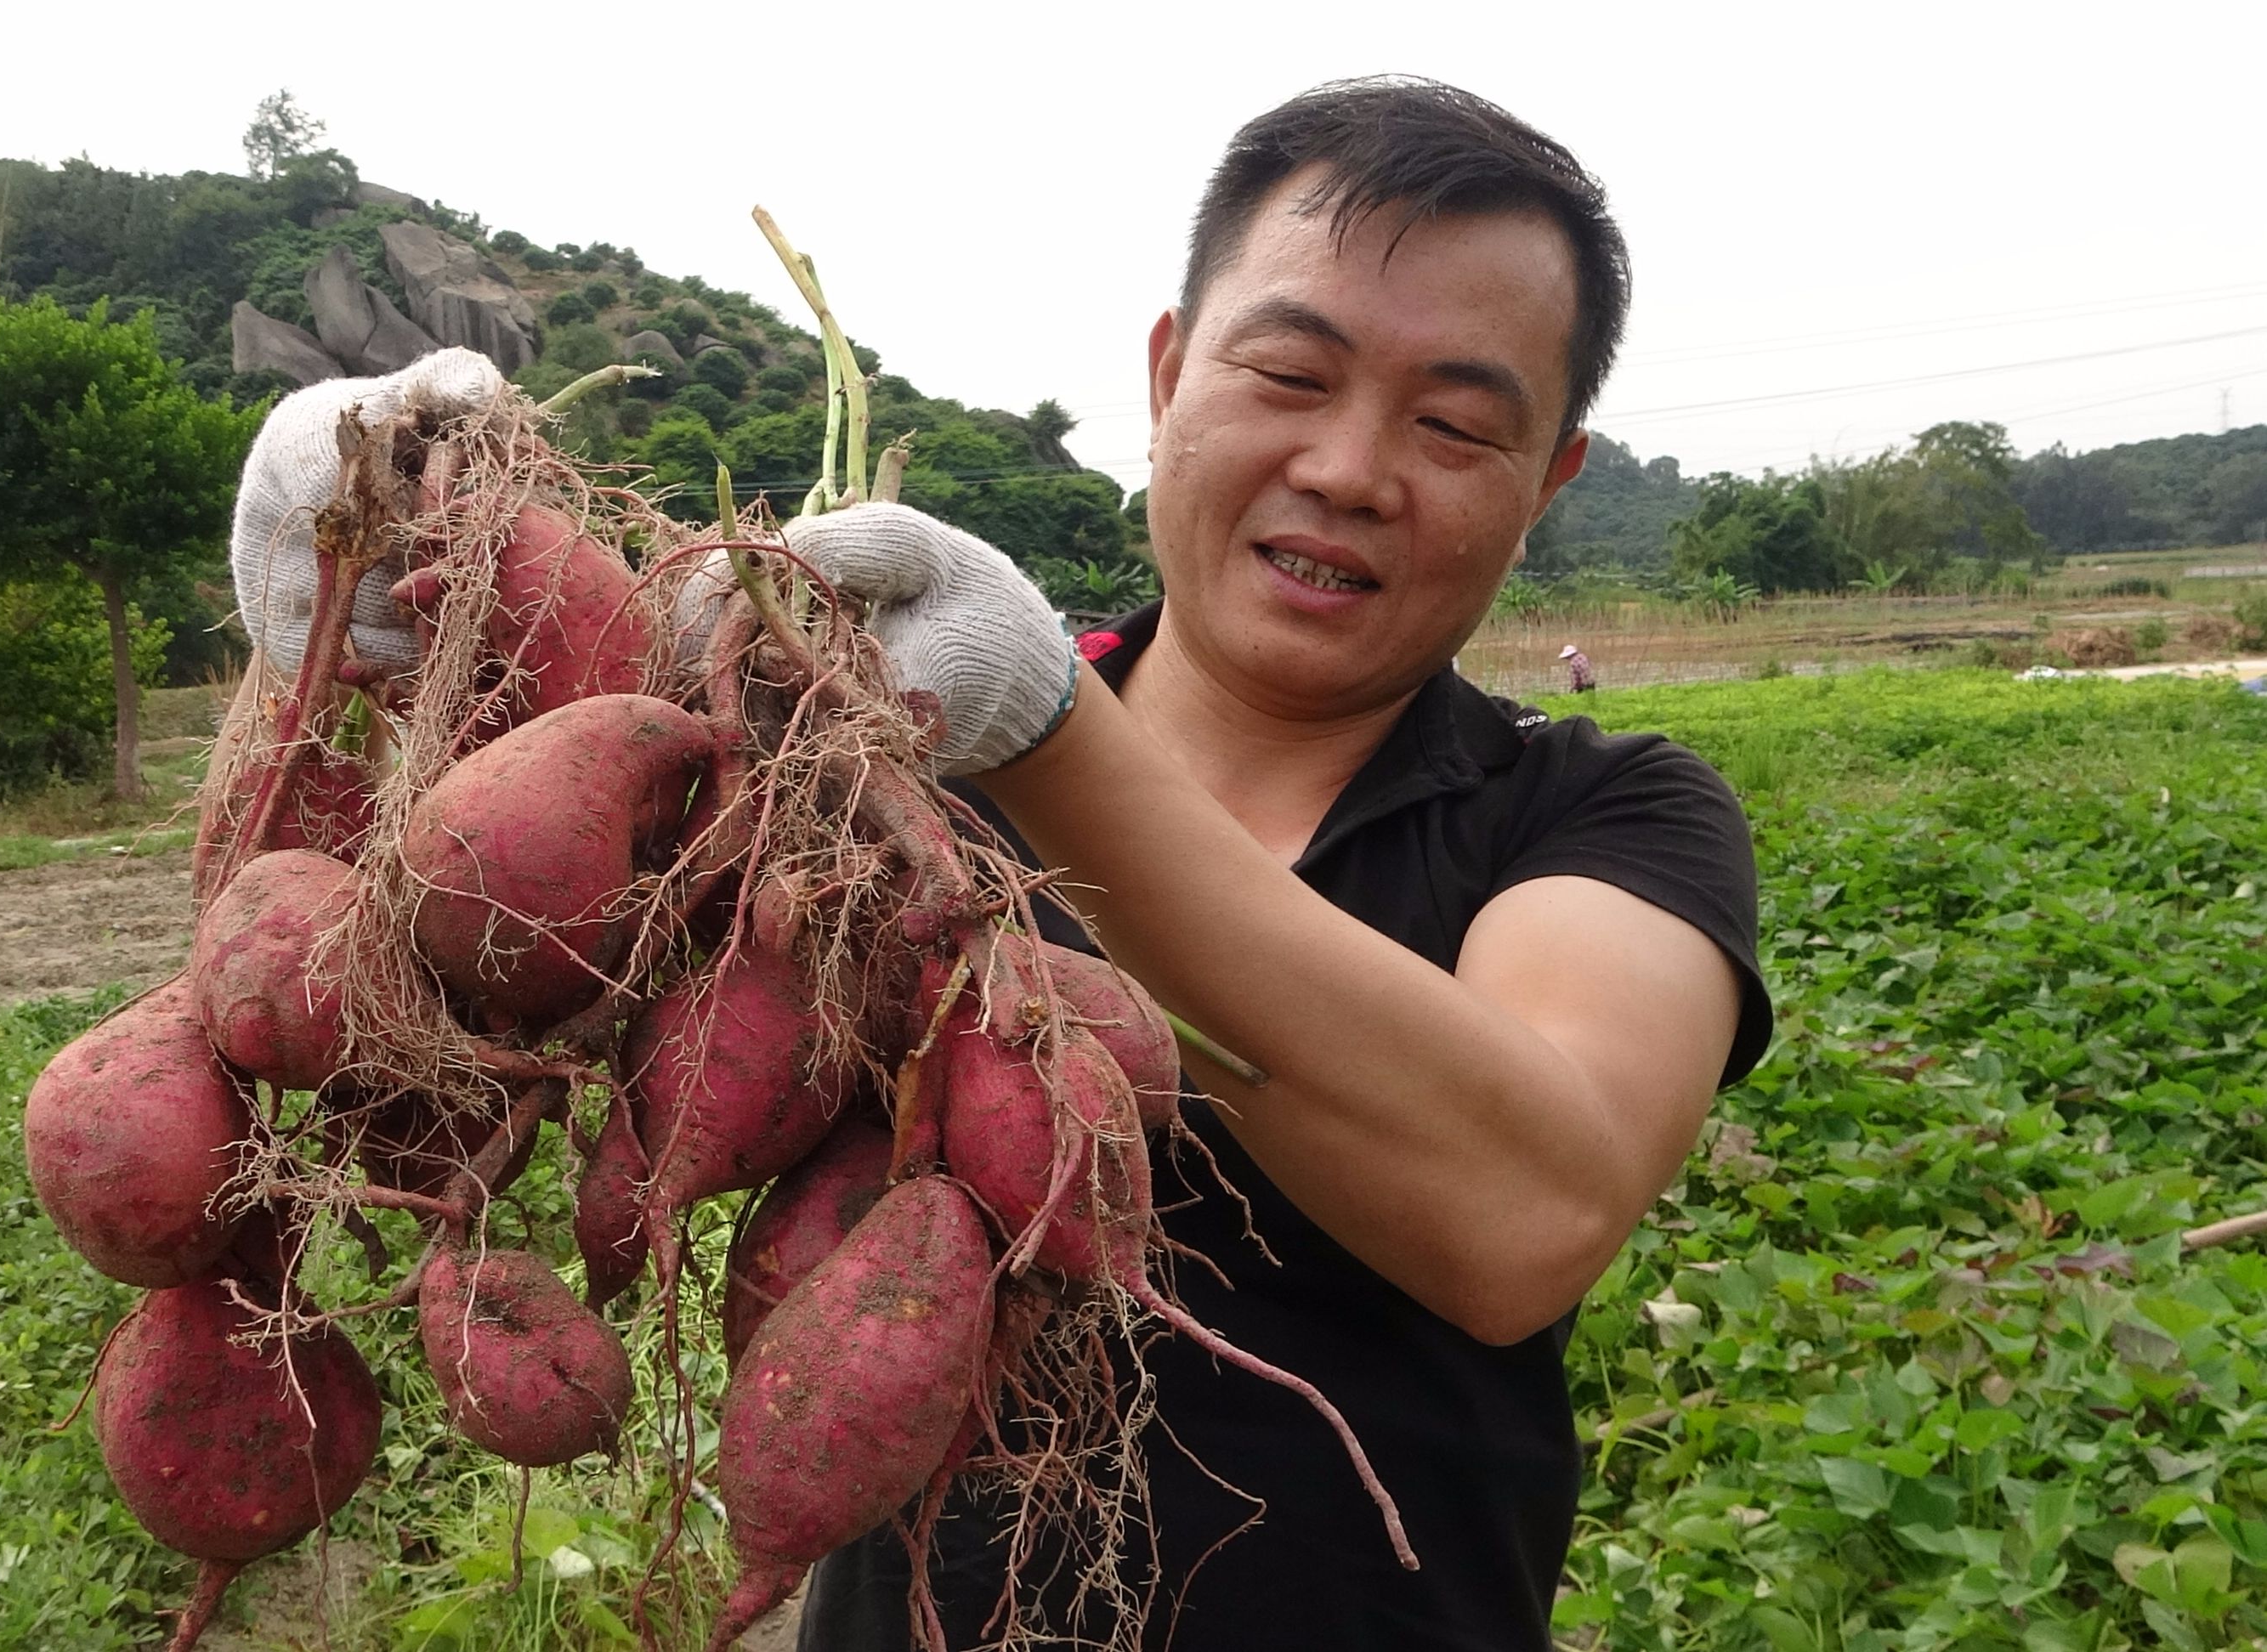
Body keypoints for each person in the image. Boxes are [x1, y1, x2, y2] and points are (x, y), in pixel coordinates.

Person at [222, 75, 1767, 1652]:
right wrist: (393, 586)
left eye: (1451, 423)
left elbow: (1523, 1214)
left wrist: (1052, 729)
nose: (1353, 470)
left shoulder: (1607, 812)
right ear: (1169, 375)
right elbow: (511, 935)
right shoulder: (868, 775)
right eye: (1290, 373)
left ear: (1549, 479)